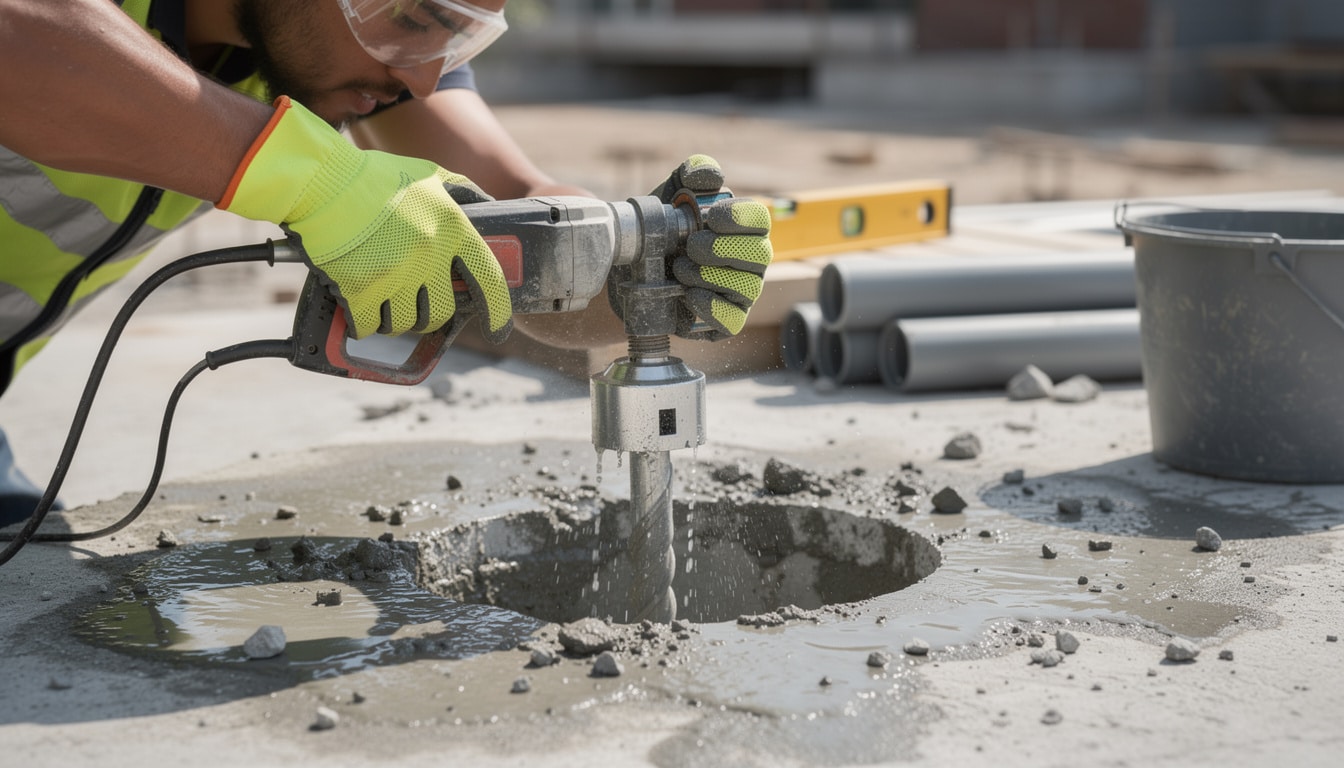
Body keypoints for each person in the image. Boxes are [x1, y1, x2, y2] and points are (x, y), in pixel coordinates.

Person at [0, 0, 773, 525]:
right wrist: (318, 181)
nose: (423, 77)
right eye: (414, 16)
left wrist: (641, 272)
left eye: (458, 36)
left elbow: (520, 209)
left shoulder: (362, 53)